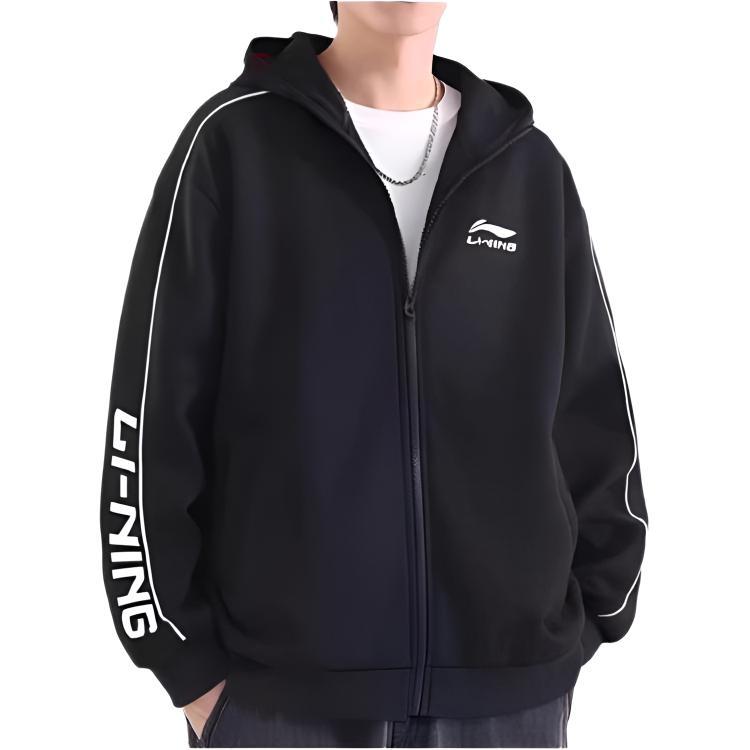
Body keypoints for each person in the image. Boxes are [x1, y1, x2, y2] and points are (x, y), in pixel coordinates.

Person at [100, 2, 649, 747]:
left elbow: (593, 411)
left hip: (508, 699)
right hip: (281, 705)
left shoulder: (528, 167)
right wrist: (184, 664)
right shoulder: (233, 146)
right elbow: (151, 416)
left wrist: (595, 612)